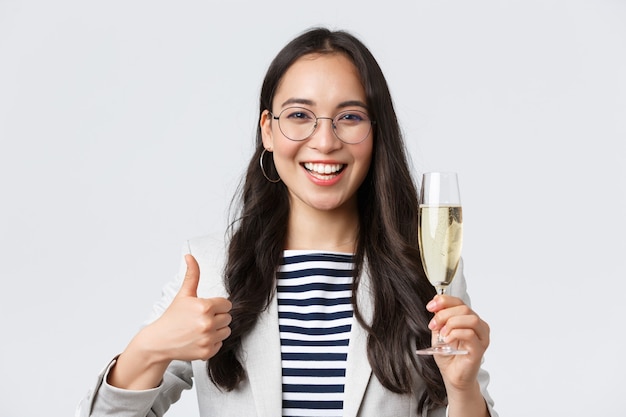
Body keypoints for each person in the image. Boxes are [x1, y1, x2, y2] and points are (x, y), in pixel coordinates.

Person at [77, 27, 497, 417]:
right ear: (268, 131)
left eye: (350, 117)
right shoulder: (209, 270)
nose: (325, 140)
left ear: (376, 132)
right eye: (299, 115)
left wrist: (461, 390)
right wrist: (149, 348)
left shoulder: (423, 273)